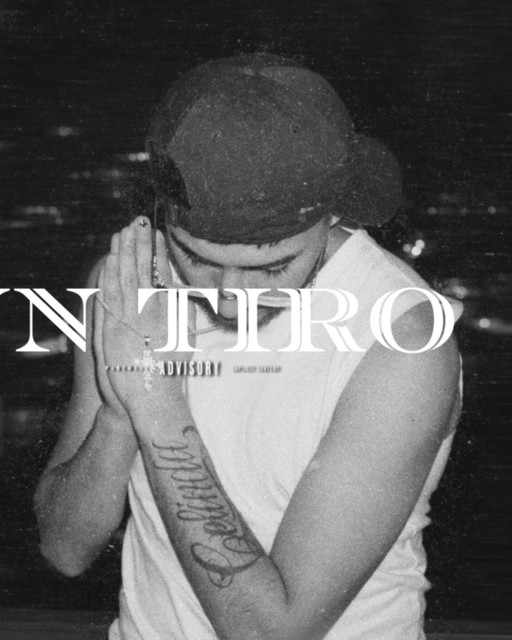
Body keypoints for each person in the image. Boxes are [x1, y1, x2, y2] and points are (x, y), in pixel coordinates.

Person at [34, 54, 462, 640]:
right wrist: (117, 412)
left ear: (334, 212)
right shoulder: (133, 288)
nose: (231, 300)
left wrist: (158, 405)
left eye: (272, 268)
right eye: (198, 259)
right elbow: (63, 548)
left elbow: (270, 632)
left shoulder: (401, 340)